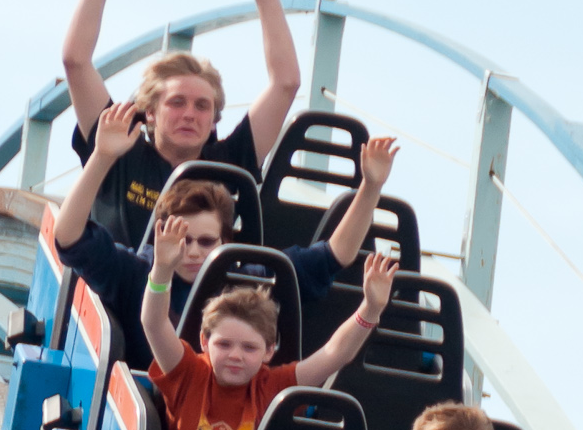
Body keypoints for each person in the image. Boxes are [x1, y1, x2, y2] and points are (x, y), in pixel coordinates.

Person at [54, 106, 399, 369]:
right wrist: (101, 157)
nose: (191, 252)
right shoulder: (135, 272)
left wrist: (370, 188)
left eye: (205, 242)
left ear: (225, 241)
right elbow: (69, 237)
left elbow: (335, 255)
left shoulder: (249, 277)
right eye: (180, 239)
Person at [60, 0, 301, 247]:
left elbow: (285, 83)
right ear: (149, 112)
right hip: (122, 290)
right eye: (176, 102)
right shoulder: (118, 149)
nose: (190, 113)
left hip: (199, 298)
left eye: (202, 106)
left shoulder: (227, 164)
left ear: (214, 118)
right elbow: (76, 62)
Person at [140, 242, 394, 430]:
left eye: (249, 348)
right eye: (224, 344)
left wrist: (370, 308)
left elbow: (334, 353)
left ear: (269, 350)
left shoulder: (272, 386)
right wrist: (162, 269)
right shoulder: (188, 372)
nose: (235, 355)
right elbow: (153, 322)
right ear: (205, 342)